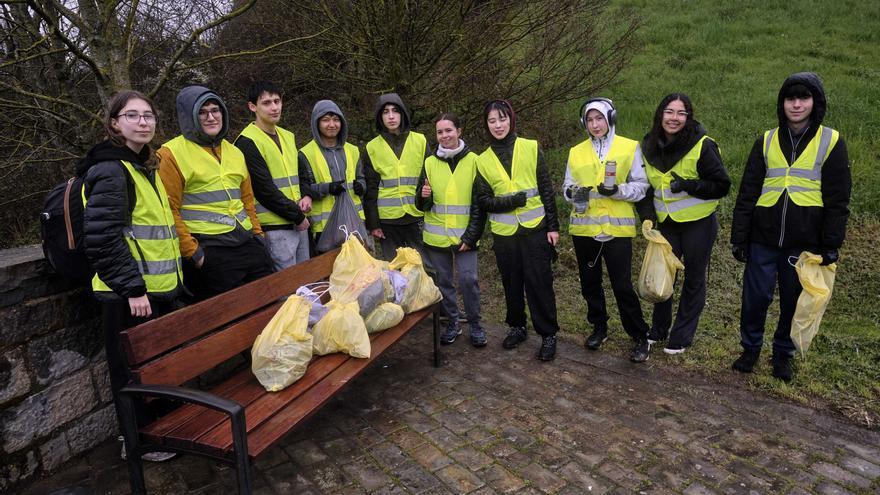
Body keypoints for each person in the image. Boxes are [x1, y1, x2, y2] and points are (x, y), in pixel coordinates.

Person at [730, 72, 851, 382]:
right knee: (755, 297)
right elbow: (748, 192)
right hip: (763, 237)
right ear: (781, 103)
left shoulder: (831, 141)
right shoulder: (766, 140)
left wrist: (830, 244)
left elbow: (838, 199)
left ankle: (783, 354)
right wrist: (740, 236)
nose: (796, 105)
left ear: (815, 103)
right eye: (790, 98)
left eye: (803, 98)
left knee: (793, 300)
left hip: (804, 242)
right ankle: (750, 349)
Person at [82, 90, 182, 461]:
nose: (143, 122)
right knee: (128, 372)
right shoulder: (111, 169)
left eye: (148, 116)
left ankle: (158, 431)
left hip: (153, 290)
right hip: (127, 295)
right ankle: (136, 441)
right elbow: (103, 237)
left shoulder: (143, 165)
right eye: (133, 116)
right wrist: (132, 288)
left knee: (151, 367)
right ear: (114, 123)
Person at [158, 86, 273, 300]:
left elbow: (247, 200)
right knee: (229, 322)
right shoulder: (171, 154)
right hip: (210, 250)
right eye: (202, 112)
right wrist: (193, 253)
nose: (211, 117)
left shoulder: (234, 151)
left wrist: (258, 235)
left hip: (248, 244)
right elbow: (167, 210)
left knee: (270, 306)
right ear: (189, 116)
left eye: (215, 110)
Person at [639, 93, 731, 354]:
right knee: (663, 276)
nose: (674, 118)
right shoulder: (648, 145)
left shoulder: (702, 145)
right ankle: (658, 330)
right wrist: (646, 216)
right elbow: (645, 187)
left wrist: (689, 186)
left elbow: (722, 185)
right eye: (670, 112)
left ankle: (681, 336)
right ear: (660, 114)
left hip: (698, 223)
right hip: (667, 223)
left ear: (688, 118)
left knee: (693, 278)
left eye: (681, 113)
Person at [563, 98, 651, 363]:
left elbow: (641, 185)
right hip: (585, 229)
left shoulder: (629, 147)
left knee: (622, 285)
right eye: (590, 120)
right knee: (590, 284)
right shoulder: (576, 151)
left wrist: (618, 191)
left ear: (610, 119)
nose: (595, 124)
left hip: (616, 230)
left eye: (599, 118)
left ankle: (639, 335)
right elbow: (567, 185)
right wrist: (571, 193)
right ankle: (599, 327)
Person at [475, 100, 561, 361]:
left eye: (502, 119)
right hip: (504, 235)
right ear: (487, 125)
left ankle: (548, 334)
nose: (498, 125)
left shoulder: (531, 147)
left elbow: (546, 189)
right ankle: (517, 326)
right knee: (511, 283)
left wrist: (553, 227)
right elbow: (484, 201)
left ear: (511, 119)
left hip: (535, 229)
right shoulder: (482, 160)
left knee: (539, 283)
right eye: (492, 121)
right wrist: (512, 201)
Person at [415, 113, 487, 346]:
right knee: (443, 282)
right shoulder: (428, 162)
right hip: (436, 238)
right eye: (440, 132)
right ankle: (453, 323)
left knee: (468, 280)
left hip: (466, 237)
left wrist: (471, 235)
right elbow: (421, 204)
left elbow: (480, 205)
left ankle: (475, 324)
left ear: (459, 131)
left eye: (449, 130)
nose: (444, 136)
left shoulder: (475, 161)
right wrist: (423, 197)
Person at [234, 81, 311, 270]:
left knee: (307, 284)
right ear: (253, 107)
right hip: (274, 227)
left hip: (298, 221)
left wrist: (307, 194)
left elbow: (302, 172)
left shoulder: (288, 136)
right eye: (266, 103)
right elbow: (263, 190)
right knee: (287, 291)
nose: (274, 107)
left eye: (277, 101)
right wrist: (297, 216)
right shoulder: (247, 142)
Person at [364, 93, 432, 265]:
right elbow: (370, 188)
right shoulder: (371, 147)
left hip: (416, 217)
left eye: (395, 111)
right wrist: (374, 224)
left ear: (403, 114)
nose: (391, 116)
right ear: (380, 117)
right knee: (395, 272)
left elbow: (431, 178)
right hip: (388, 221)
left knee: (425, 267)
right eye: (385, 112)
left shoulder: (420, 141)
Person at [298, 100, 366, 250]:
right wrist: (327, 188)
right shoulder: (305, 153)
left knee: (360, 270)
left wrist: (361, 186)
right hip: (325, 226)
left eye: (336, 120)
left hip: (354, 221)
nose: (332, 124)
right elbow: (304, 188)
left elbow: (361, 177)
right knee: (331, 271)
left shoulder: (353, 150)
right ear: (317, 123)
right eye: (325, 120)